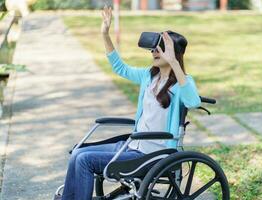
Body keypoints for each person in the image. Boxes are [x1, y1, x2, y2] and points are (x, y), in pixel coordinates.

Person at [60, 5, 201, 200]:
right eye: (153, 48)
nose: (154, 52)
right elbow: (120, 68)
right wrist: (105, 34)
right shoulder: (148, 76)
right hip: (132, 145)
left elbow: (193, 101)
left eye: (160, 49)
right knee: (78, 152)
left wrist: (174, 63)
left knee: (85, 160)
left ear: (174, 53)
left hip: (153, 154)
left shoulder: (182, 83)